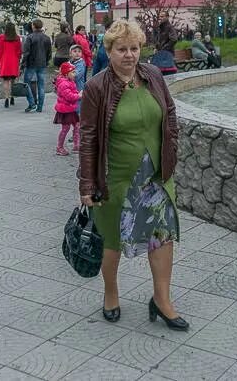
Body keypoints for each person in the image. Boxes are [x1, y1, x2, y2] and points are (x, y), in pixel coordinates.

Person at [79, 19, 185, 329]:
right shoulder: (96, 87)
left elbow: (171, 113)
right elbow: (87, 138)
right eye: (122, 49)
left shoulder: (152, 75)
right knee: (112, 241)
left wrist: (172, 150)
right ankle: (111, 293)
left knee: (162, 237)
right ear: (109, 51)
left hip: (156, 176)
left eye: (135, 48)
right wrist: (87, 183)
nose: (129, 55)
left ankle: (162, 300)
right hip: (117, 178)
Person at [21, 19, 53, 113]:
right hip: (42, 63)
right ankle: (40, 106)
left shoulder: (30, 37)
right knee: (41, 86)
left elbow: (26, 53)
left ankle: (32, 103)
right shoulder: (47, 38)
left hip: (31, 64)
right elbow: (49, 53)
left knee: (26, 84)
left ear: (33, 26)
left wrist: (22, 64)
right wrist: (46, 61)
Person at [53, 61, 82, 156]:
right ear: (66, 73)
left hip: (71, 109)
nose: (75, 74)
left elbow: (73, 92)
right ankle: (59, 147)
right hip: (65, 110)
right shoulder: (63, 84)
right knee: (66, 128)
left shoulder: (70, 81)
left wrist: (77, 93)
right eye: (73, 72)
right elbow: (69, 96)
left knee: (77, 125)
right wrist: (79, 95)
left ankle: (76, 145)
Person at [0, 22, 22, 108]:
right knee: (13, 81)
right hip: (14, 61)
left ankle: (6, 98)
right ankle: (12, 97)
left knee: (6, 81)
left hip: (5, 61)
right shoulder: (17, 38)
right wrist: (18, 60)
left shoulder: (1, 37)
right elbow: (19, 52)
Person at [69, 44, 86, 113]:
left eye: (79, 51)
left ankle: (78, 119)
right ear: (70, 54)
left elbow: (75, 76)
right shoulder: (69, 63)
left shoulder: (81, 64)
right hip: (71, 87)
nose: (77, 53)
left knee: (78, 104)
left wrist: (66, 73)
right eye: (75, 51)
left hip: (78, 87)